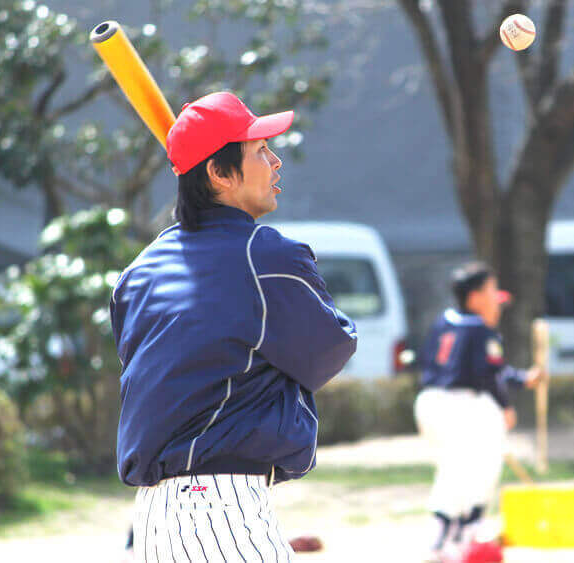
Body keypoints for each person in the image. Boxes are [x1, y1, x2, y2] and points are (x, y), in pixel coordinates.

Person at [110, 91, 358, 562]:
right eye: (260, 151)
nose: (276, 161)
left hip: (153, 522)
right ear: (219, 173)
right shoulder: (266, 254)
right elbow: (329, 350)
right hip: (220, 507)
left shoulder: (137, 272)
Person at [414, 261, 544, 560]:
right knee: (478, 470)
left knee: (452, 468)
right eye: (492, 293)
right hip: (464, 406)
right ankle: (458, 539)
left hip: (429, 402)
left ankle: (445, 540)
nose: (498, 304)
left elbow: (434, 363)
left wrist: (523, 379)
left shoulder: (443, 322)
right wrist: (506, 406)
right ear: (474, 298)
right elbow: (491, 375)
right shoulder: (482, 330)